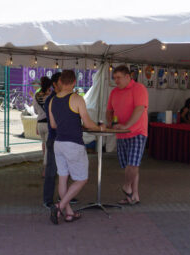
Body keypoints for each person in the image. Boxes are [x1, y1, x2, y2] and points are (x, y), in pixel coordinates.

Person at [49, 69, 104, 223]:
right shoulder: (77, 98)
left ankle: (69, 213)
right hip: (73, 144)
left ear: (60, 82)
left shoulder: (53, 100)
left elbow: (53, 124)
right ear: (74, 82)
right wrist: (100, 128)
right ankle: (60, 206)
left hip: (58, 143)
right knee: (81, 179)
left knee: (63, 179)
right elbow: (87, 123)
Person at [106, 64, 150, 205]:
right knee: (129, 165)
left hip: (137, 132)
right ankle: (133, 195)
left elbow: (139, 109)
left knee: (133, 163)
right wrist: (111, 124)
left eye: (118, 77)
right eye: (114, 78)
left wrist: (126, 126)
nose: (116, 81)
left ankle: (126, 186)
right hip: (121, 134)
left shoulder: (139, 88)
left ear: (127, 76)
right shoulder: (114, 92)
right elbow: (109, 111)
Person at [42, 72, 62, 209]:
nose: (65, 84)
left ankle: (64, 196)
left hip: (62, 139)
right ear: (54, 84)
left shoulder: (64, 97)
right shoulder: (51, 99)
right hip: (54, 139)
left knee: (64, 170)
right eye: (62, 81)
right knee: (52, 170)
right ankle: (48, 199)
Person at [33, 76, 52, 176]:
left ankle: (45, 166)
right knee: (49, 147)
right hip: (49, 124)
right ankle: (46, 170)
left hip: (40, 124)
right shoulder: (51, 96)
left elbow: (35, 111)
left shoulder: (36, 95)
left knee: (44, 144)